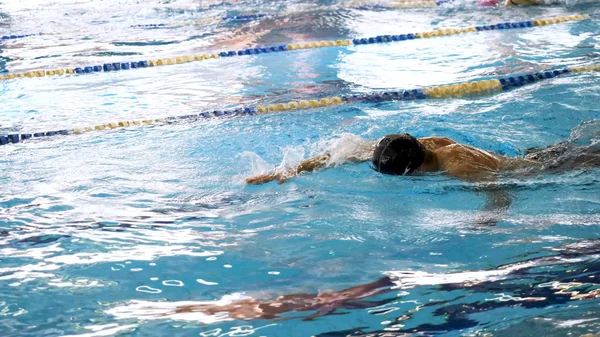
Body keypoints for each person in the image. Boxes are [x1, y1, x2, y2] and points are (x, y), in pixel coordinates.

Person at [245, 130, 600, 185]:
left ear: (415, 169)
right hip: (524, 153)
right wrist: (287, 171)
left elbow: (499, 192)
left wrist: (487, 222)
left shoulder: (459, 165)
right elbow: (339, 153)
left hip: (548, 169)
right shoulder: (407, 145)